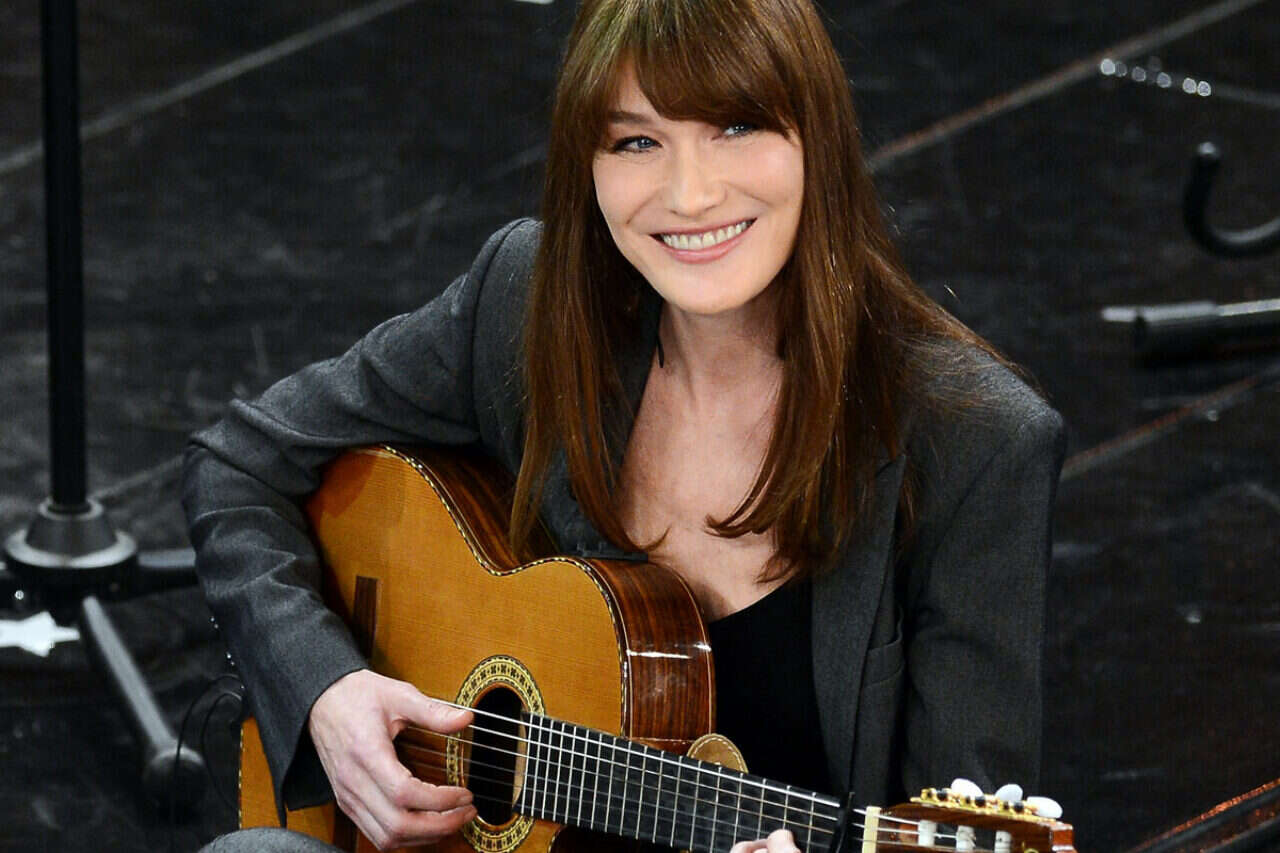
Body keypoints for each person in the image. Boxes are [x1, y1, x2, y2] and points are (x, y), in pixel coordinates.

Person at [184, 0, 1066, 850]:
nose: (691, 194)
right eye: (638, 141)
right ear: (589, 164)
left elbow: (955, 824)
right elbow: (240, 466)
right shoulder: (527, 304)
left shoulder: (973, 444)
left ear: (819, 140)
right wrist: (329, 690)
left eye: (735, 127)